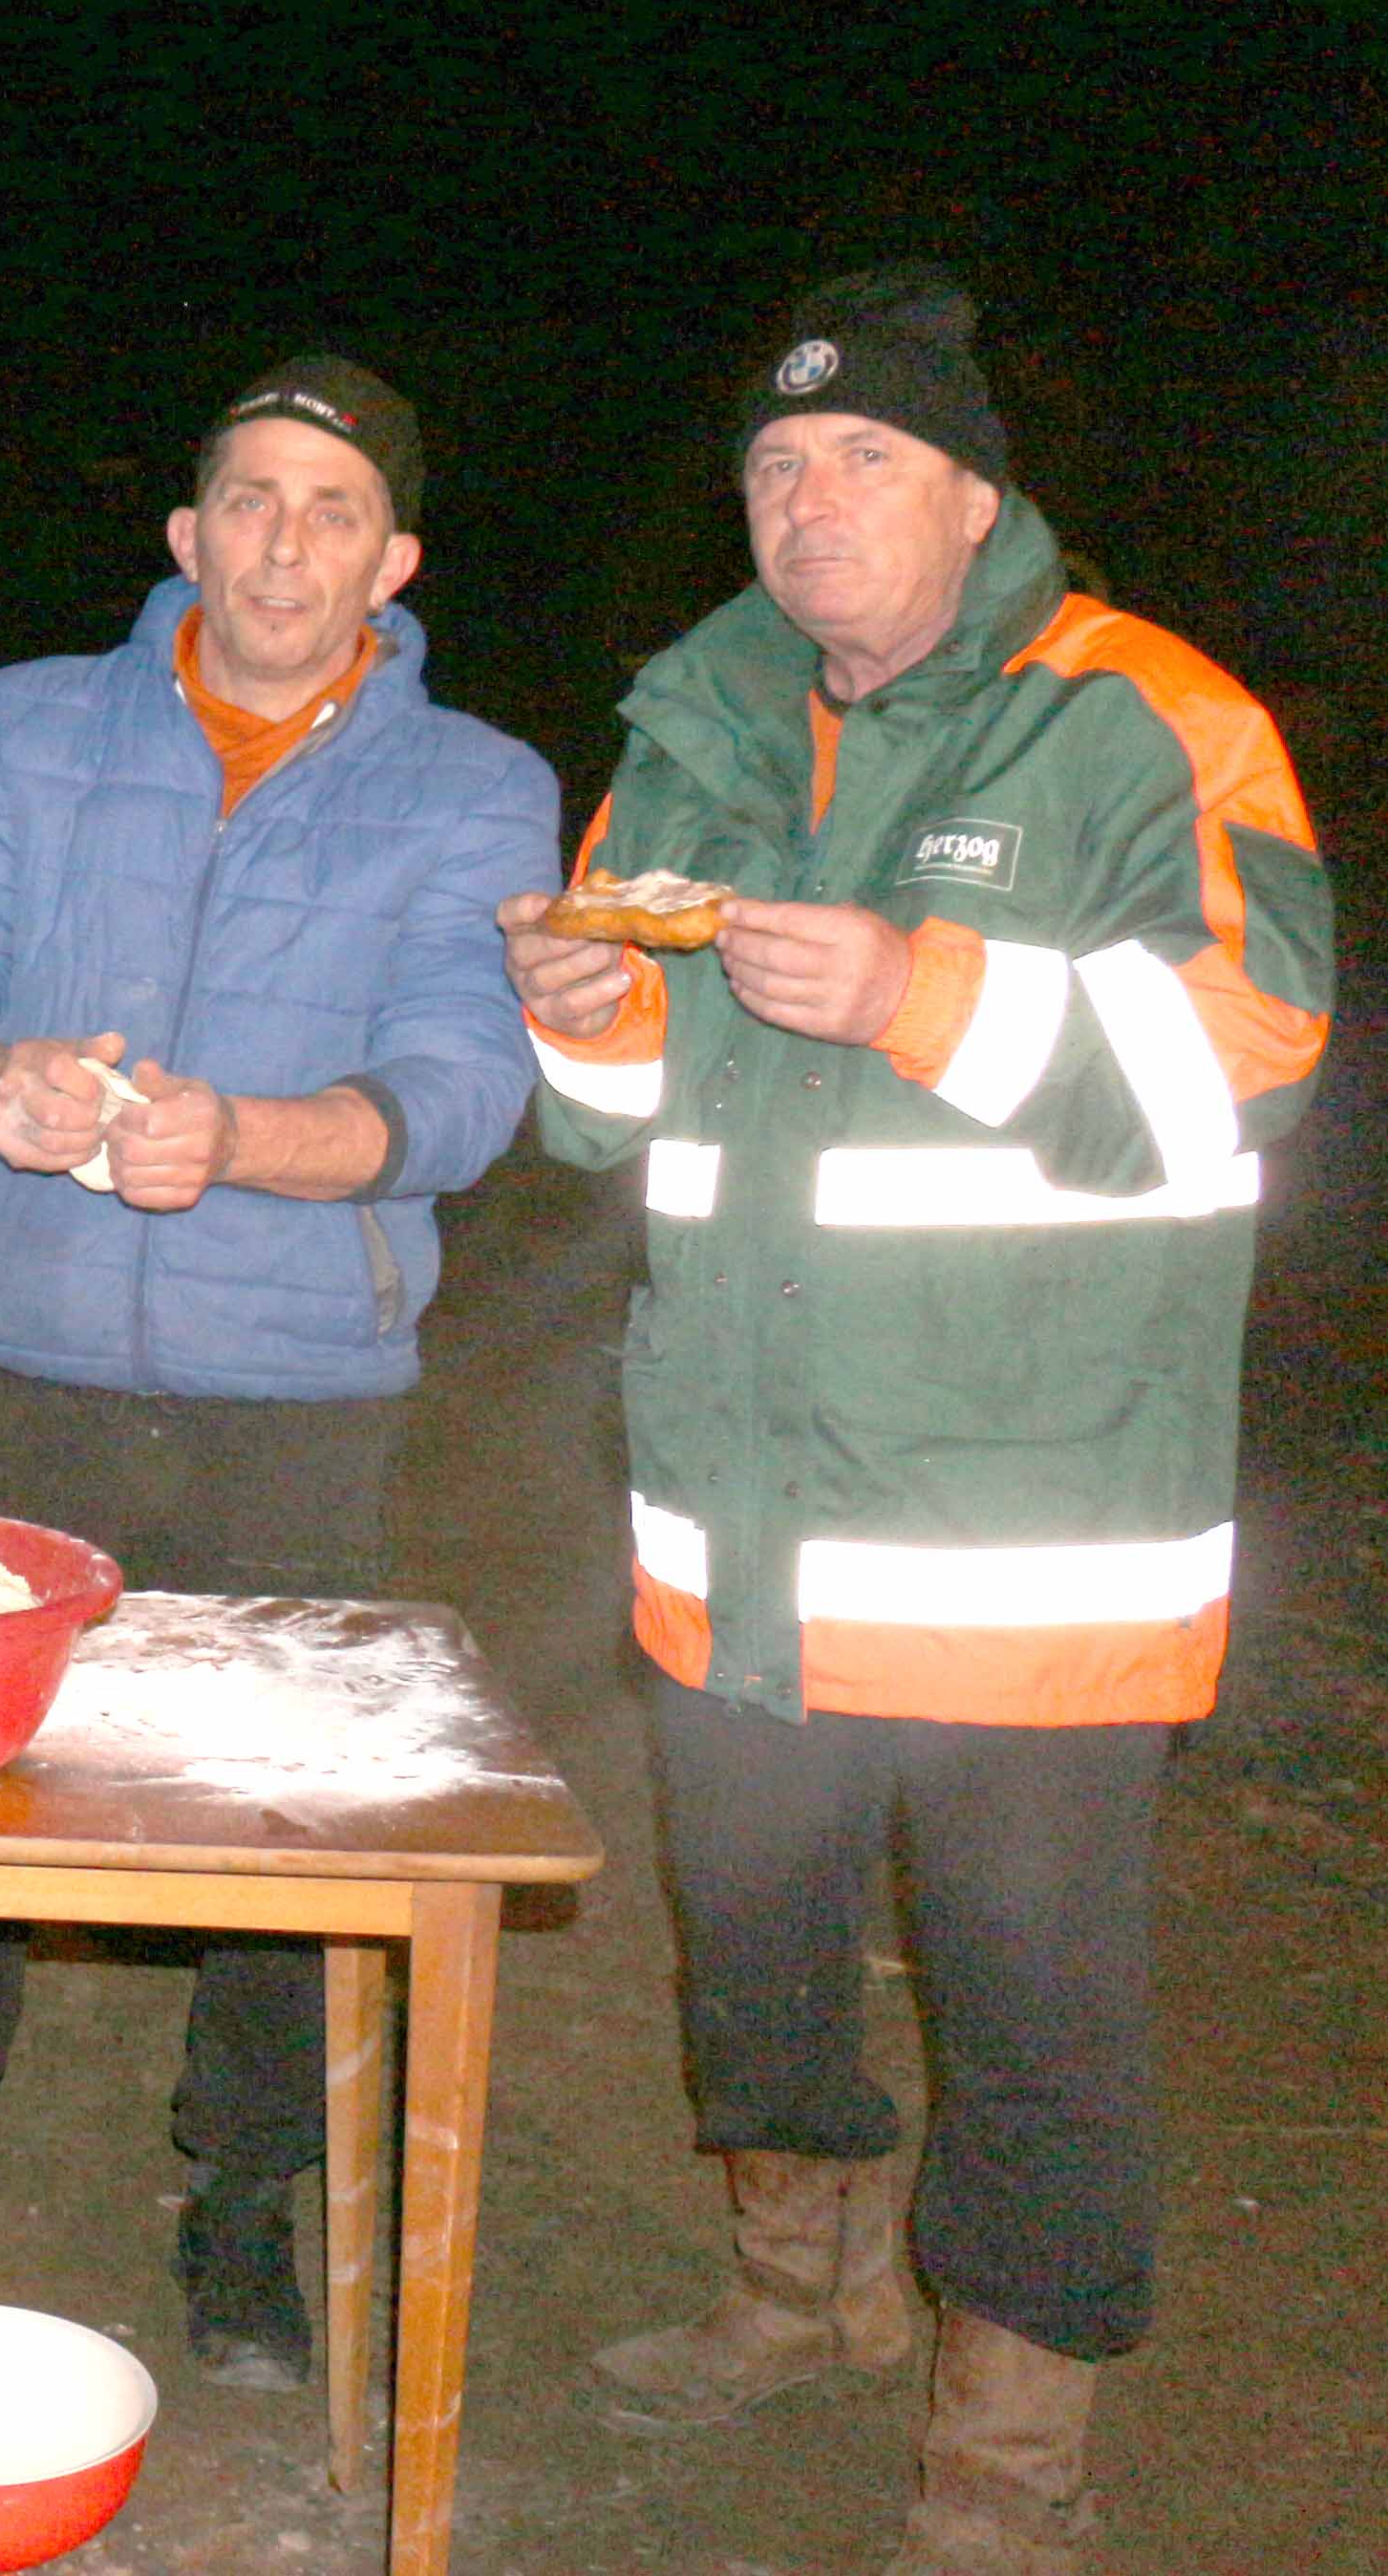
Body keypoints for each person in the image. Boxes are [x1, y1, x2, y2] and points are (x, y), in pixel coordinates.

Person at [503, 267, 1327, 2575]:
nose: (807, 500)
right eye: (773, 464)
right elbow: (619, 1131)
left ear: (978, 493)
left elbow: (1260, 1051)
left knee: (1034, 2012)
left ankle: (1009, 2461)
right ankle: (803, 2290)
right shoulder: (689, 737)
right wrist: (583, 1010)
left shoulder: (1140, 720)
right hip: (739, 1518)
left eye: (865, 455)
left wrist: (922, 988)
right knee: (751, 1949)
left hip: (1027, 1540)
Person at [0, 356, 556, 2380]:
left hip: (298, 1384)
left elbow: (460, 1088)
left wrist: (243, 1136)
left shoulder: (474, 786)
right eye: (248, 498)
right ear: (185, 532)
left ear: (394, 558)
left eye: (331, 509)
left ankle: (244, 2191)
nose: (284, 543)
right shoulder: (35, 724)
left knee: (275, 1812)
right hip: (27, 1358)